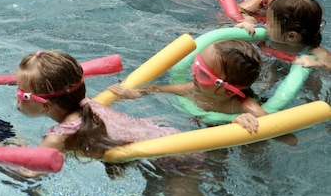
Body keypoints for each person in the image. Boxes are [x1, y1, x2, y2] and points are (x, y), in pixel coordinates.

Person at [6, 50, 215, 196]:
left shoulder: (60, 136)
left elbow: (30, 173)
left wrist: (0, 152)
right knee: (154, 195)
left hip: (180, 162)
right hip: (170, 143)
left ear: (46, 106)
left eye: (21, 92)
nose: (16, 96)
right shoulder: (89, 106)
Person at [109, 39, 266, 132]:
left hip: (220, 133)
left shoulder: (242, 106)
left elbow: (279, 131)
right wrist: (135, 93)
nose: (193, 74)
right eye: (196, 65)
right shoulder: (193, 89)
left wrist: (247, 120)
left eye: (203, 73)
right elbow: (157, 89)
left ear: (229, 92)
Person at [261, 0, 331, 70]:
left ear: (291, 36)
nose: (265, 25)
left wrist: (317, 64)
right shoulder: (268, 41)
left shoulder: (316, 52)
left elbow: (328, 65)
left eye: (270, 24)